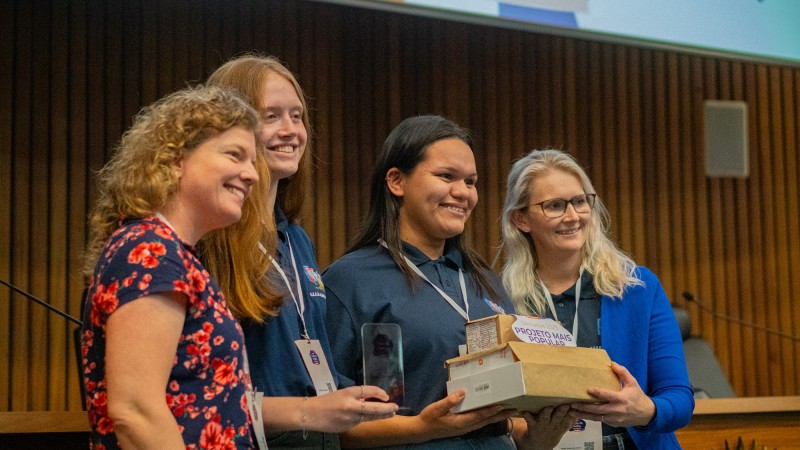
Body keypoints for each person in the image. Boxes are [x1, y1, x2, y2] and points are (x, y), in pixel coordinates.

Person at [323, 115, 573, 449]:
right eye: (446, 176)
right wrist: (422, 428)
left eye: (470, 182)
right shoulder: (351, 280)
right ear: (397, 181)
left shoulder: (486, 283)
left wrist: (541, 434)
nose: (463, 193)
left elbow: (506, 424)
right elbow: (326, 427)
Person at [201, 54, 397, 450]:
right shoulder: (209, 237)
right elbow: (196, 392)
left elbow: (309, 354)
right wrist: (308, 410)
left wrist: (355, 396)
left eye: (297, 115)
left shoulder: (298, 240)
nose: (291, 130)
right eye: (271, 116)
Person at [80, 84, 264, 449]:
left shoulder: (174, 254)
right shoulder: (148, 250)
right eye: (234, 155)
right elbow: (135, 412)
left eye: (253, 162)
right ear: (176, 159)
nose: (252, 175)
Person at [499, 149, 694, 449]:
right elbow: (495, 408)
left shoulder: (637, 288)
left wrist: (644, 411)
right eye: (554, 205)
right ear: (521, 220)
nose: (573, 216)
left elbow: (680, 399)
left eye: (579, 201)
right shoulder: (502, 301)